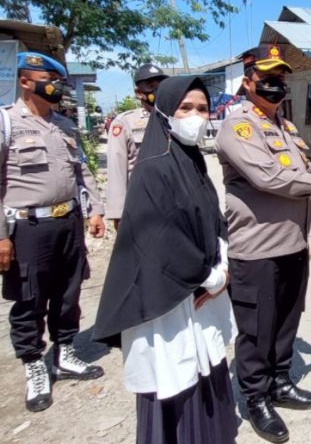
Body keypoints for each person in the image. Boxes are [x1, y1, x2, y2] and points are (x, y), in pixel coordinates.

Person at [215, 45, 311, 443]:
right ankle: (256, 397)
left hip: (292, 242)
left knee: (286, 320)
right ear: (248, 82)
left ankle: (280, 382)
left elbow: (292, 171)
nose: (276, 84)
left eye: (281, 77)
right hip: (257, 247)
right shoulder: (238, 126)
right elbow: (268, 178)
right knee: (257, 329)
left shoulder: (285, 126)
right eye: (267, 77)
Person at [93, 76, 238, 444]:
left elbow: (211, 217)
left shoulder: (191, 161)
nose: (195, 116)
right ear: (164, 113)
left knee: (205, 372)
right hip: (170, 299)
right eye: (185, 108)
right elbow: (160, 241)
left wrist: (223, 263)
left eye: (202, 108)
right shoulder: (153, 168)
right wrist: (209, 277)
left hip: (201, 291)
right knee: (177, 378)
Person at [0, 52, 106, 412]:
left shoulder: (64, 124)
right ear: (26, 81)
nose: (56, 86)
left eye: (59, 81)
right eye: (49, 79)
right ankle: (34, 366)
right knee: (30, 299)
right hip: (28, 228)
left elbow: (82, 172)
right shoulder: (6, 123)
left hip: (68, 222)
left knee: (68, 293)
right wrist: (1, 235)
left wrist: (96, 209)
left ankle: (65, 353)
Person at [106, 64, 168, 227]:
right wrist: (118, 213)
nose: (157, 91)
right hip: (141, 202)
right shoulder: (125, 122)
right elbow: (116, 167)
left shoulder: (174, 118)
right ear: (139, 93)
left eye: (161, 86)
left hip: (171, 199)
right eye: (151, 87)